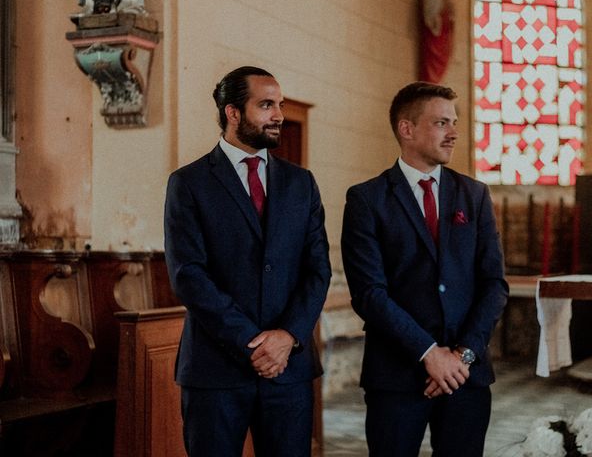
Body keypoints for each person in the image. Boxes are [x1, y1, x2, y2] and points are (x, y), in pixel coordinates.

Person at [164, 66, 331, 457]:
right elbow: (188, 274)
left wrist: (287, 337)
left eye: (280, 105)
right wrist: (253, 344)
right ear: (232, 112)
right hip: (215, 370)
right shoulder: (189, 183)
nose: (278, 115)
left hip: (289, 370)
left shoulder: (301, 183)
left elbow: (318, 269)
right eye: (266, 105)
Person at [341, 82, 508, 456]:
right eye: (441, 123)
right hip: (397, 378)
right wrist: (430, 355)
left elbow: (494, 284)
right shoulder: (367, 199)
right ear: (407, 129)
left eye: (454, 122)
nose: (453, 133)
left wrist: (461, 356)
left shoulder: (475, 195)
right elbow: (369, 293)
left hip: (466, 378)